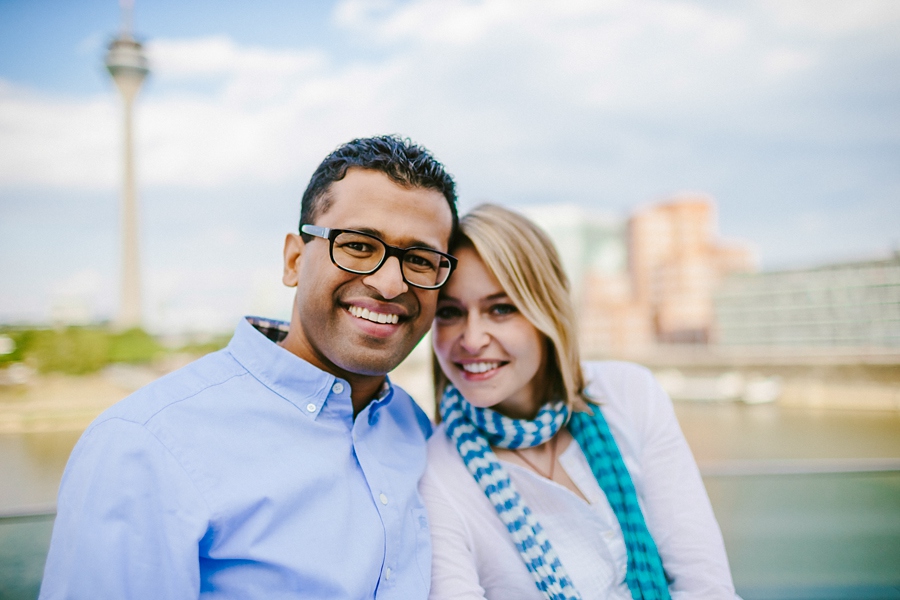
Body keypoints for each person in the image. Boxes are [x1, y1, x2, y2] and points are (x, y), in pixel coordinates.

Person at [40, 135, 459, 599]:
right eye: (358, 246)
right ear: (294, 260)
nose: (388, 283)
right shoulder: (144, 444)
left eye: (420, 260)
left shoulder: (416, 430)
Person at [420, 204, 737, 600]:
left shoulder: (629, 395)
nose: (471, 338)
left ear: (546, 311)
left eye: (500, 309)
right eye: (450, 313)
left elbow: (705, 585)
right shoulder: (436, 477)